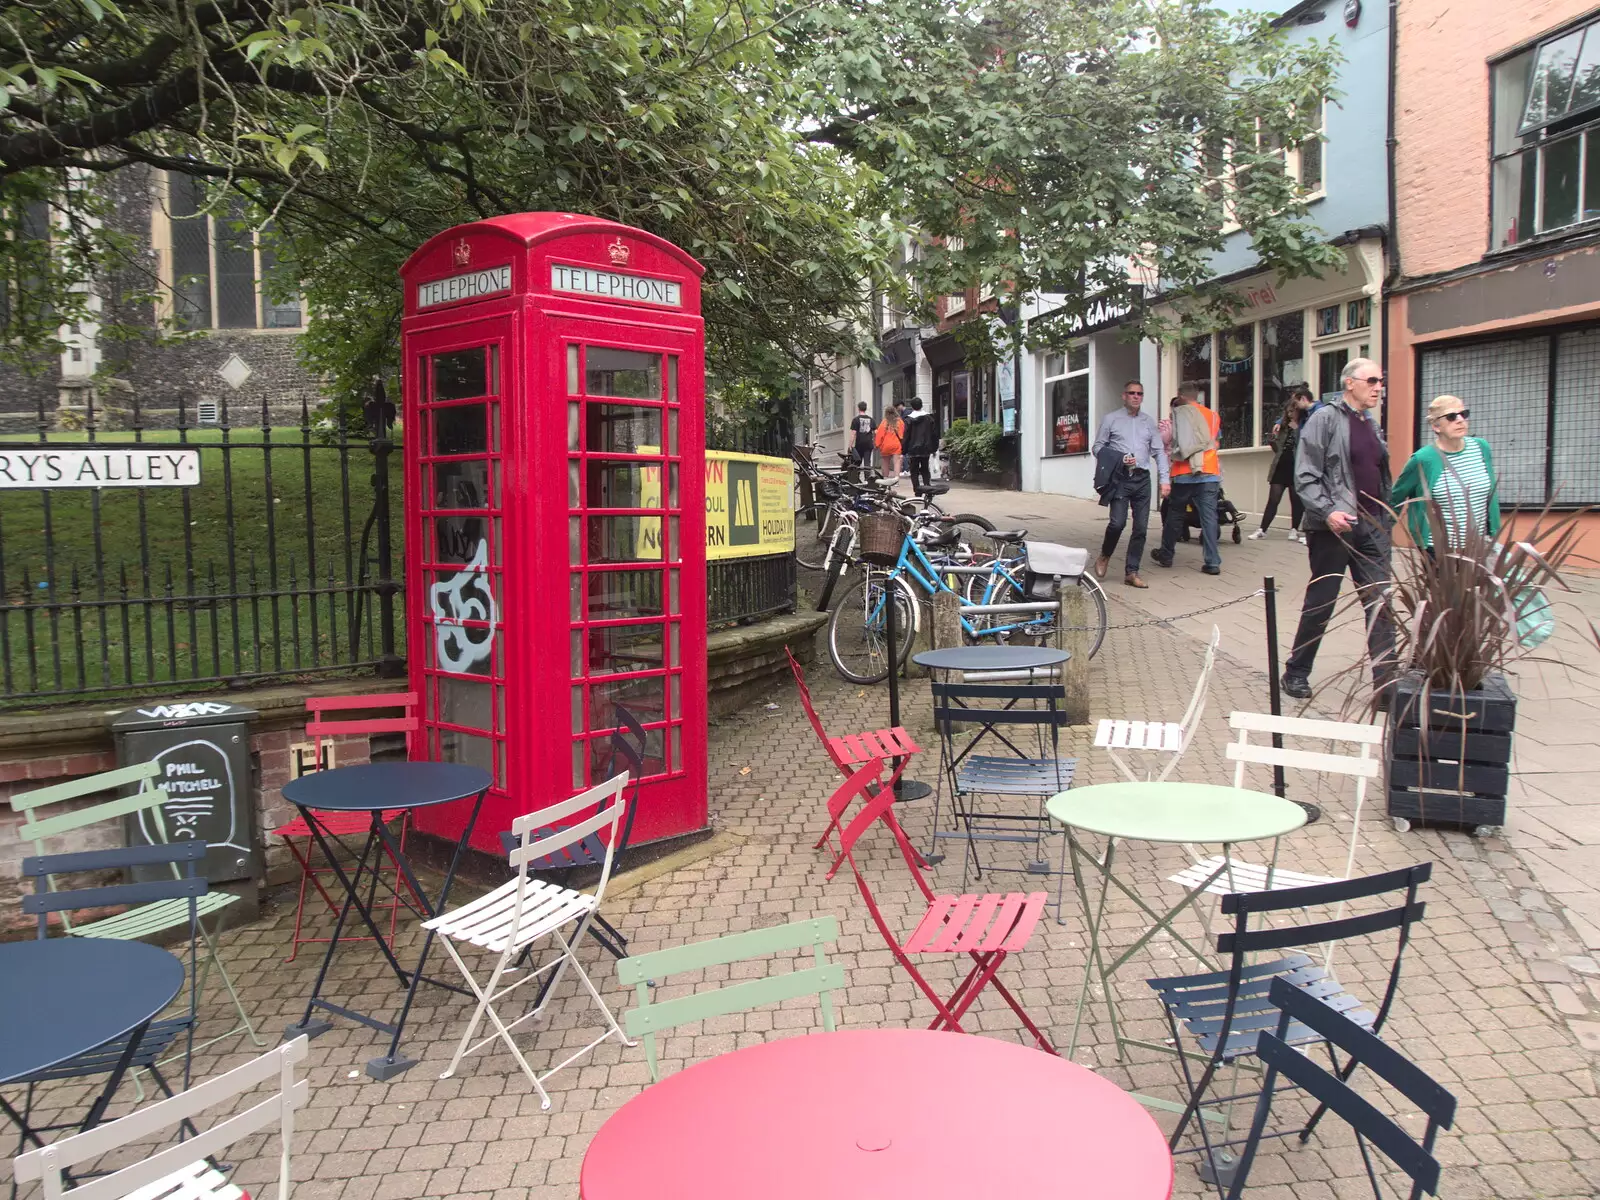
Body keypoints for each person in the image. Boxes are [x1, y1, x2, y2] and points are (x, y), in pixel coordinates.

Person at [1281, 358, 1397, 705]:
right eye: (1373, 380)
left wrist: (1386, 517)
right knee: (1322, 602)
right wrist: (1328, 511)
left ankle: (1387, 686)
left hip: (1373, 526)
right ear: (1350, 383)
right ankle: (1296, 672)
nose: (1379, 387)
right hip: (1335, 528)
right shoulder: (1325, 419)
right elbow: (1305, 474)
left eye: (1382, 381)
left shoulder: (1371, 424)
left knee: (1380, 604)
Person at [1391, 395, 1501, 552]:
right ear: (1436, 426)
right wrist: (1376, 536)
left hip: (1479, 546)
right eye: (1451, 417)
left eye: (1463, 414)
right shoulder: (1423, 459)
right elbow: (1396, 498)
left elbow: (1491, 494)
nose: (1460, 420)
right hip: (1439, 551)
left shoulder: (1481, 448)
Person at [1091, 380, 1170, 588]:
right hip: (1120, 478)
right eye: (1132, 393)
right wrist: (1119, 458)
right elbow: (1097, 448)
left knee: (1141, 528)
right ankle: (1105, 555)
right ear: (1123, 396)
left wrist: (1165, 480)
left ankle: (1131, 571)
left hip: (1142, 479)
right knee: (1118, 523)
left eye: (1140, 394)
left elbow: (1159, 452)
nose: (1136, 397)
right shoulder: (1111, 420)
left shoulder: (1148, 423)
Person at [1153, 382, 1222, 575]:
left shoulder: (1179, 415)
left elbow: (1172, 440)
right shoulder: (1213, 415)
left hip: (1183, 473)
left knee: (1175, 515)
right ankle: (1212, 562)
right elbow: (1216, 442)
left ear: (1181, 396)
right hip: (1209, 471)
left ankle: (1166, 555)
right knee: (1209, 517)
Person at [1249, 384, 1314, 542]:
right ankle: (1262, 529)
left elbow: (1306, 444)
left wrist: (1297, 429)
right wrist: (1272, 441)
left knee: (1295, 500)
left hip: (1296, 466)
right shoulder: (1283, 426)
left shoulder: (1305, 424)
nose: (1290, 415)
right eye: (1288, 412)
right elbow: (1278, 449)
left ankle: (1294, 529)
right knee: (1273, 498)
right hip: (1281, 464)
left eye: (1293, 411)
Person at [902, 396, 937, 492]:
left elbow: (906, 436)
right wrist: (934, 448)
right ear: (921, 405)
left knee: (914, 471)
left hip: (913, 449)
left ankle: (917, 491)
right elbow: (934, 434)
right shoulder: (929, 418)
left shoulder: (908, 420)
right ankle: (927, 488)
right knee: (925, 469)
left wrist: (903, 449)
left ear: (912, 406)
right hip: (926, 448)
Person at [874, 401, 905, 482]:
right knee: (897, 462)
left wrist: (877, 445)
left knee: (885, 462)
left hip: (886, 445)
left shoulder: (884, 422)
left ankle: (885, 479)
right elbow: (902, 434)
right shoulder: (900, 422)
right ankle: (896, 479)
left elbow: (880, 435)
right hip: (896, 444)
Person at [849, 400, 876, 468]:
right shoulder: (871, 420)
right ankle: (868, 477)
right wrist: (874, 442)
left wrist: (850, 445)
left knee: (857, 462)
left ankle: (856, 477)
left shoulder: (855, 420)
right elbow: (876, 432)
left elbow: (853, 433)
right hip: (868, 444)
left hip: (859, 444)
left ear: (858, 408)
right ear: (865, 409)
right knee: (867, 462)